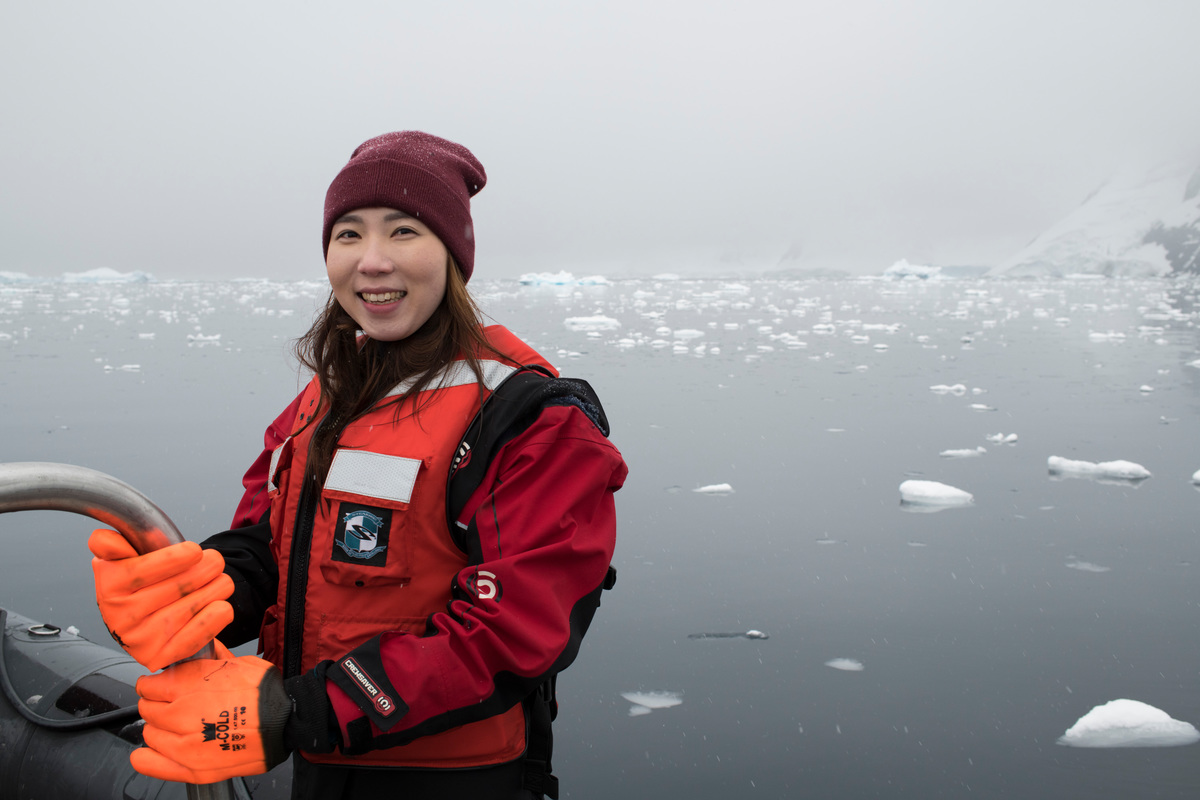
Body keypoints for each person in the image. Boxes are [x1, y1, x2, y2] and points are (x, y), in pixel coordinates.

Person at [88, 131, 627, 799]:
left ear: (453, 256)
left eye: (403, 232)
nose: (371, 262)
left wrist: (304, 711)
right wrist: (203, 593)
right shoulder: (324, 398)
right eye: (348, 235)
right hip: (320, 766)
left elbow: (511, 633)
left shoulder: (530, 418)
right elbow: (272, 542)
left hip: (454, 781)